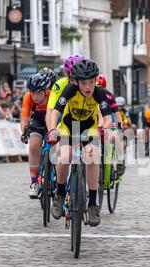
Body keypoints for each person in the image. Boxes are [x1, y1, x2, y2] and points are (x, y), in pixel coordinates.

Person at [47, 59, 113, 227]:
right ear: (76, 82)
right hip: (69, 126)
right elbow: (56, 112)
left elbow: (107, 118)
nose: (88, 87)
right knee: (66, 155)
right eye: (84, 83)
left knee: (92, 155)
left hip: (88, 127)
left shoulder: (99, 93)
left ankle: (92, 204)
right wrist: (53, 129)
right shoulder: (70, 89)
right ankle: (60, 195)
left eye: (91, 82)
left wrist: (104, 128)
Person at [21, 72, 51, 198]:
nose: (35, 97)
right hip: (38, 120)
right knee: (33, 147)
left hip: (52, 119)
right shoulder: (28, 97)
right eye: (33, 93)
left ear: (45, 90)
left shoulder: (52, 96)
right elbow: (25, 117)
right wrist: (24, 132)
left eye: (39, 93)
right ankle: (34, 182)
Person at [46, 55, 86, 131]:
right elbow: (50, 111)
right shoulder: (60, 84)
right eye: (72, 76)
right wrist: (50, 132)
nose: (75, 81)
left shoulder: (91, 85)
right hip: (65, 117)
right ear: (68, 74)